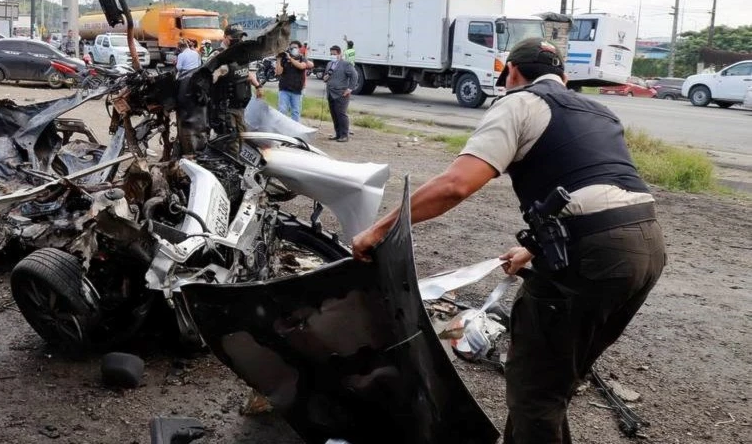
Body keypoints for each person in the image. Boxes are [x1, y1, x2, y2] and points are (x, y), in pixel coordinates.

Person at [352, 38, 666, 444]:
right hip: (646, 246)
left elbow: (456, 185)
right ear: (564, 76)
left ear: (512, 72)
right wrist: (532, 249)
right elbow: (593, 186)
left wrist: (379, 229)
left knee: (535, 389)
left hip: (594, 255)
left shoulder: (519, 103)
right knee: (555, 377)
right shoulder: (599, 111)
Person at [322, 45, 357, 142]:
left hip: (341, 93)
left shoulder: (346, 64)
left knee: (341, 114)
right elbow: (326, 76)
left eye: (334, 54)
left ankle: (344, 135)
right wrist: (325, 78)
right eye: (331, 54)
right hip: (330, 93)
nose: (332, 55)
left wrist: (350, 89)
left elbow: (354, 76)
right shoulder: (329, 64)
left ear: (339, 54)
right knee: (334, 114)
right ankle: (337, 134)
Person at [274, 40, 313, 121]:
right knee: (282, 110)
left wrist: (291, 59)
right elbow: (278, 72)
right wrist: (278, 59)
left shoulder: (302, 58)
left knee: (295, 111)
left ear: (299, 49)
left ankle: (294, 130)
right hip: (284, 89)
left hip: (297, 91)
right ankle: (281, 127)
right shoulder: (284, 58)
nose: (293, 49)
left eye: (295, 47)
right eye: (291, 48)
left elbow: (302, 66)